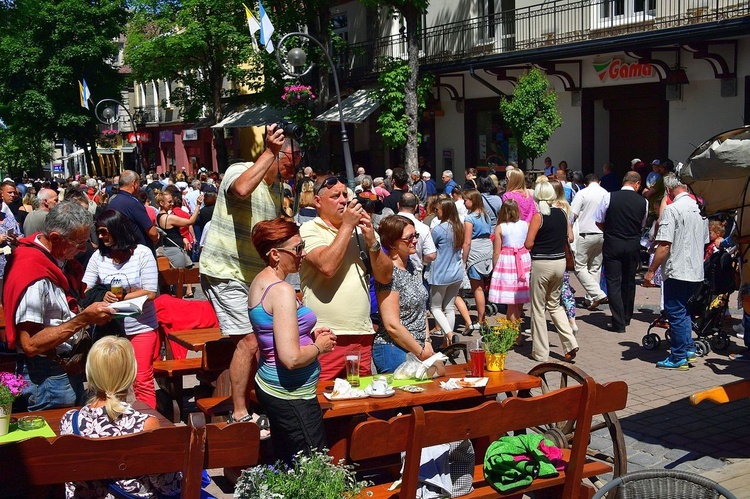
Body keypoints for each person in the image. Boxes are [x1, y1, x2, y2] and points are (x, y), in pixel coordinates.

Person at [199, 124, 297, 425]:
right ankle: (240, 412)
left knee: (266, 338)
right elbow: (240, 190)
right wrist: (269, 151)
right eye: (294, 156)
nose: (296, 164)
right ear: (281, 153)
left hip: (255, 277)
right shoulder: (238, 170)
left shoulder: (279, 189)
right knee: (253, 341)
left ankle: (262, 403)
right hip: (225, 270)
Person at [3, 202, 115, 411]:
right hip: (47, 377)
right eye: (79, 243)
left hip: (60, 370)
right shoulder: (33, 272)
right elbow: (31, 345)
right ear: (55, 238)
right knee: (55, 441)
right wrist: (84, 319)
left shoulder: (52, 259)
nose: (84, 249)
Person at [248, 218, 336, 463]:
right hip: (291, 396)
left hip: (275, 388)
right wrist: (319, 348)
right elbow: (291, 358)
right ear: (275, 254)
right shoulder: (280, 290)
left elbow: (272, 333)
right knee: (314, 471)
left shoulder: (261, 281)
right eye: (298, 248)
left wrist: (308, 336)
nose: (303, 253)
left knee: (289, 465)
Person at [60, 336, 182, 498]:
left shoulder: (70, 421)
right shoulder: (145, 425)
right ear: (130, 374)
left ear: (90, 372)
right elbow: (168, 486)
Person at [299, 175, 390, 380]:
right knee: (324, 400)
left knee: (361, 401)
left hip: (361, 333)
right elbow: (327, 266)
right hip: (324, 335)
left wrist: (372, 241)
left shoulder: (360, 231)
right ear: (317, 202)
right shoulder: (308, 230)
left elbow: (385, 277)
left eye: (344, 195)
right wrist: (348, 226)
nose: (343, 200)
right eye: (335, 196)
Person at [83, 210, 159, 408]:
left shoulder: (142, 253)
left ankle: (148, 426)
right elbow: (85, 288)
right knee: (109, 382)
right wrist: (103, 294)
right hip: (110, 328)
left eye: (104, 232)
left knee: (141, 380)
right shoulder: (99, 257)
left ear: (117, 230)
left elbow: (150, 292)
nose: (100, 237)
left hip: (140, 326)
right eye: (98, 232)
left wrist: (121, 296)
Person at [644, 174, 708, 370]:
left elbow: (664, 245)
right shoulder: (700, 209)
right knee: (684, 310)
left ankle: (679, 355)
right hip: (695, 269)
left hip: (678, 269)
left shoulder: (672, 210)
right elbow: (704, 240)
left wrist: (651, 271)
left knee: (675, 311)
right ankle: (687, 348)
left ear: (669, 191)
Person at [524, 182, 579, 362]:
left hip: (542, 263)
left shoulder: (538, 216)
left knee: (538, 309)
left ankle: (540, 352)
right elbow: (569, 237)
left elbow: (528, 244)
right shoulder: (563, 213)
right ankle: (570, 343)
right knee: (554, 304)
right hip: (559, 262)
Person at [373, 215, 432, 372]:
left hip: (418, 347)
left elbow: (421, 310)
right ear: (392, 243)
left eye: (415, 235)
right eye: (409, 238)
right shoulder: (389, 273)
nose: (415, 241)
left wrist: (427, 341)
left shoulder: (411, 266)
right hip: (394, 348)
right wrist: (420, 352)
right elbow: (392, 325)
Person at [595, 171, 648, 333]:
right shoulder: (643, 202)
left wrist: (610, 230)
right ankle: (627, 316)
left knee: (613, 281)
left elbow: (598, 220)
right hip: (632, 244)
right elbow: (642, 224)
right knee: (629, 281)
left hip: (613, 242)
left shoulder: (608, 197)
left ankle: (618, 321)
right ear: (637, 184)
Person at [428, 199, 465, 341]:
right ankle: (448, 342)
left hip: (441, 272)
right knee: (449, 308)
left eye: (437, 209)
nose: (436, 212)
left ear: (445, 210)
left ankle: (449, 335)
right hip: (456, 271)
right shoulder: (459, 227)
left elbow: (430, 248)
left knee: (435, 307)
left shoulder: (439, 229)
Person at [570, 174, 608, 309]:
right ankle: (591, 298)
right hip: (602, 234)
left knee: (579, 266)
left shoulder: (582, 193)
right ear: (599, 182)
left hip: (585, 233)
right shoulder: (606, 193)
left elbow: (572, 214)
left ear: (585, 184)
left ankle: (596, 294)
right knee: (595, 267)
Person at [489, 199, 531, 323]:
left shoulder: (500, 228)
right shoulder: (525, 225)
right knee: (518, 299)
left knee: (511, 300)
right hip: (523, 259)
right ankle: (514, 330)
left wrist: (495, 268)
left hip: (507, 261)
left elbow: (497, 251)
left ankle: (516, 335)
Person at [549, 179, 578, 333]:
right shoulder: (567, 207)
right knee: (565, 288)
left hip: (551, 252)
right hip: (563, 252)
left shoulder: (550, 208)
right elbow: (571, 237)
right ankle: (572, 320)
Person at [108, 171, 159, 254]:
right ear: (134, 184)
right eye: (139, 183)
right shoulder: (134, 203)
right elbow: (152, 233)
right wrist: (156, 236)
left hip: (120, 251)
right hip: (139, 253)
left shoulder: (112, 202)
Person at [462, 189, 493, 327]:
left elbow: (467, 241)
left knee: (477, 288)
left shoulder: (469, 219)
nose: (464, 203)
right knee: (483, 285)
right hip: (487, 249)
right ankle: (482, 317)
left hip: (475, 251)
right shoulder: (486, 215)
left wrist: (464, 259)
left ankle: (481, 319)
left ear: (472, 201)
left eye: (466, 200)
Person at [156, 190, 203, 272]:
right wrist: (198, 206)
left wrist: (183, 238)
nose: (172, 204)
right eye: (169, 202)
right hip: (175, 252)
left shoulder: (159, 216)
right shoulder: (168, 218)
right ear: (161, 203)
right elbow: (190, 221)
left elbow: (172, 233)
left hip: (169, 249)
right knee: (178, 278)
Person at [397, 193, 436, 280]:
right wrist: (420, 258)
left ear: (398, 205)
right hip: (414, 272)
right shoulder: (423, 228)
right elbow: (431, 255)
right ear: (416, 207)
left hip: (390, 271)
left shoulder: (387, 224)